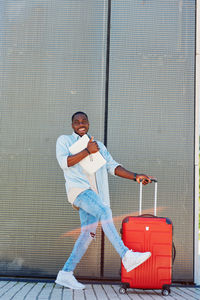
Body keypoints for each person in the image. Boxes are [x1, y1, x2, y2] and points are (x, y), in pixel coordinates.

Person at [55, 111, 153, 290]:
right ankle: (126, 255)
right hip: (79, 191)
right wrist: (86, 151)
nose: (81, 124)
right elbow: (64, 162)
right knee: (104, 211)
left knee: (87, 235)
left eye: (84, 120)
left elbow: (112, 166)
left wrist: (136, 176)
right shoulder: (64, 140)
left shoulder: (98, 145)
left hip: (95, 195)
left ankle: (65, 274)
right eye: (76, 122)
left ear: (89, 123)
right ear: (72, 126)